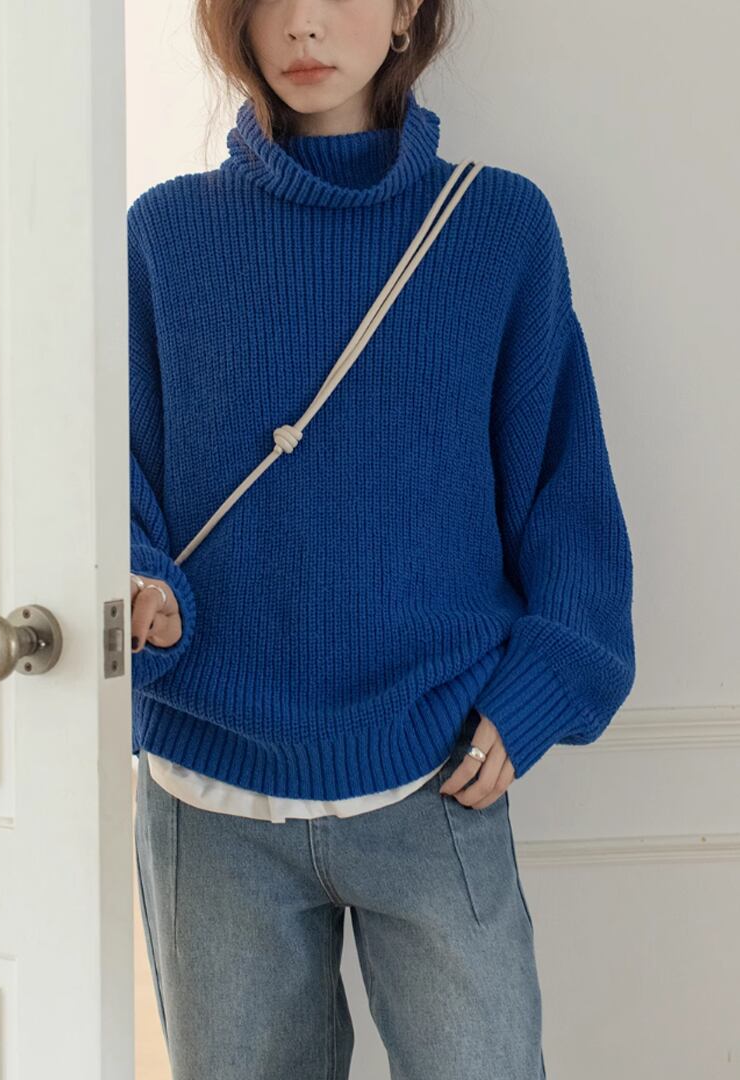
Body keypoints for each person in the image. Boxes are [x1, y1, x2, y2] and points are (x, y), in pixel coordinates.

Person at [128, 1, 635, 1077]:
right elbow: (104, 470)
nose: (305, 25)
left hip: (433, 766)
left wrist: (540, 692)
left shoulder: (496, 228)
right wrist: (139, 582)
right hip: (208, 794)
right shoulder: (163, 237)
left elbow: (565, 490)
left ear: (407, 10)